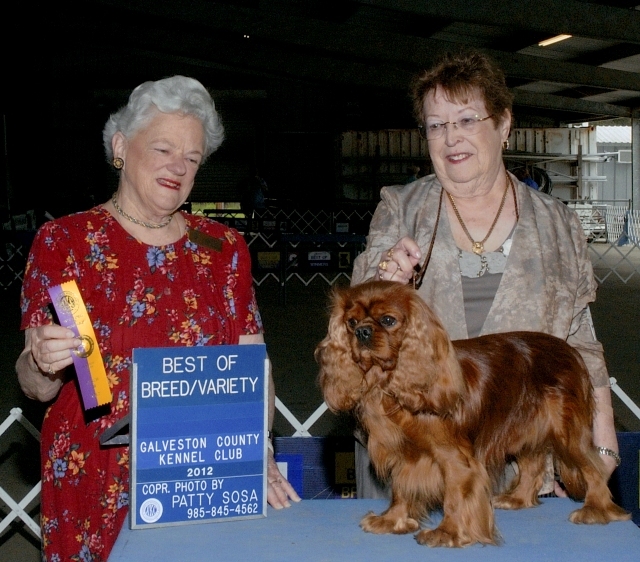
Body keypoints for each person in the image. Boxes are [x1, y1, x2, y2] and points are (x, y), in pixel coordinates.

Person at [15, 76, 299, 562]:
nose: (179, 167)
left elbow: (254, 364)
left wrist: (259, 454)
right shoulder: (64, 242)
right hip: (92, 477)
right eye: (165, 149)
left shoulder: (224, 248)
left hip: (199, 476)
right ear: (121, 147)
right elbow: (35, 387)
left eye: (192, 158)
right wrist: (42, 361)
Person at [351, 51, 620, 499]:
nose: (451, 137)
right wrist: (387, 281)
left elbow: (579, 340)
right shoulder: (401, 209)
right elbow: (358, 314)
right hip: (416, 460)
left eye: (467, 120)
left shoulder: (558, 224)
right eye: (437, 125)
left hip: (520, 464)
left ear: (504, 124)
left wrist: (604, 434)